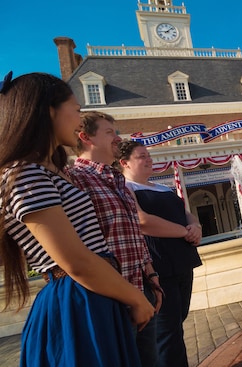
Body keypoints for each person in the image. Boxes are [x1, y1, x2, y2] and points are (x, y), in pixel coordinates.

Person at [0, 72, 154, 366]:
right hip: (78, 300)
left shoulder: (47, 171)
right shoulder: (26, 174)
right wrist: (136, 298)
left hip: (92, 293)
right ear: (49, 111)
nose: (81, 121)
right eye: (77, 110)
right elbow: (75, 261)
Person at [68, 111, 200, 366]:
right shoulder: (77, 179)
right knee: (164, 338)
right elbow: (140, 223)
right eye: (110, 133)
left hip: (147, 281)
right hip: (118, 290)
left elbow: (131, 232)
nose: (117, 138)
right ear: (85, 138)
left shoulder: (115, 180)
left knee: (163, 338)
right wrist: (185, 233)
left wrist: (150, 276)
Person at [118, 140, 203, 367]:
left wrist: (196, 227)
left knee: (178, 321)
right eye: (141, 156)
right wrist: (184, 232)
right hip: (159, 266)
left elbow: (187, 213)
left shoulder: (162, 187)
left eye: (148, 155)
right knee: (167, 332)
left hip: (183, 262)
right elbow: (143, 221)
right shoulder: (126, 188)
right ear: (124, 163)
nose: (148, 159)